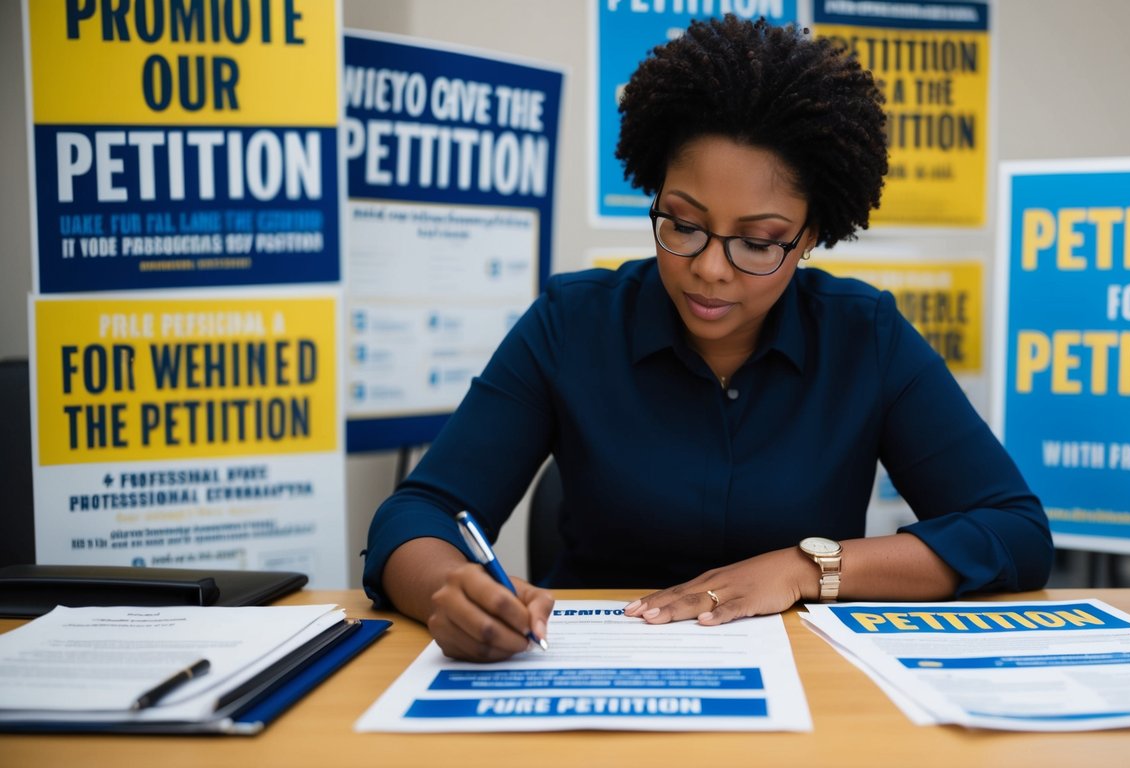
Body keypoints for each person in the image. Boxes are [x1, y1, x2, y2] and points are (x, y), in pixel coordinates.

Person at [363, 16, 1052, 662]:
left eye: (758, 242)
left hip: (809, 688)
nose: (709, 269)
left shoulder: (863, 335)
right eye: (683, 224)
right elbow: (416, 513)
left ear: (810, 236)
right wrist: (445, 592)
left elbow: (1012, 530)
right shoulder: (571, 324)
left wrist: (804, 568)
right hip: (584, 669)